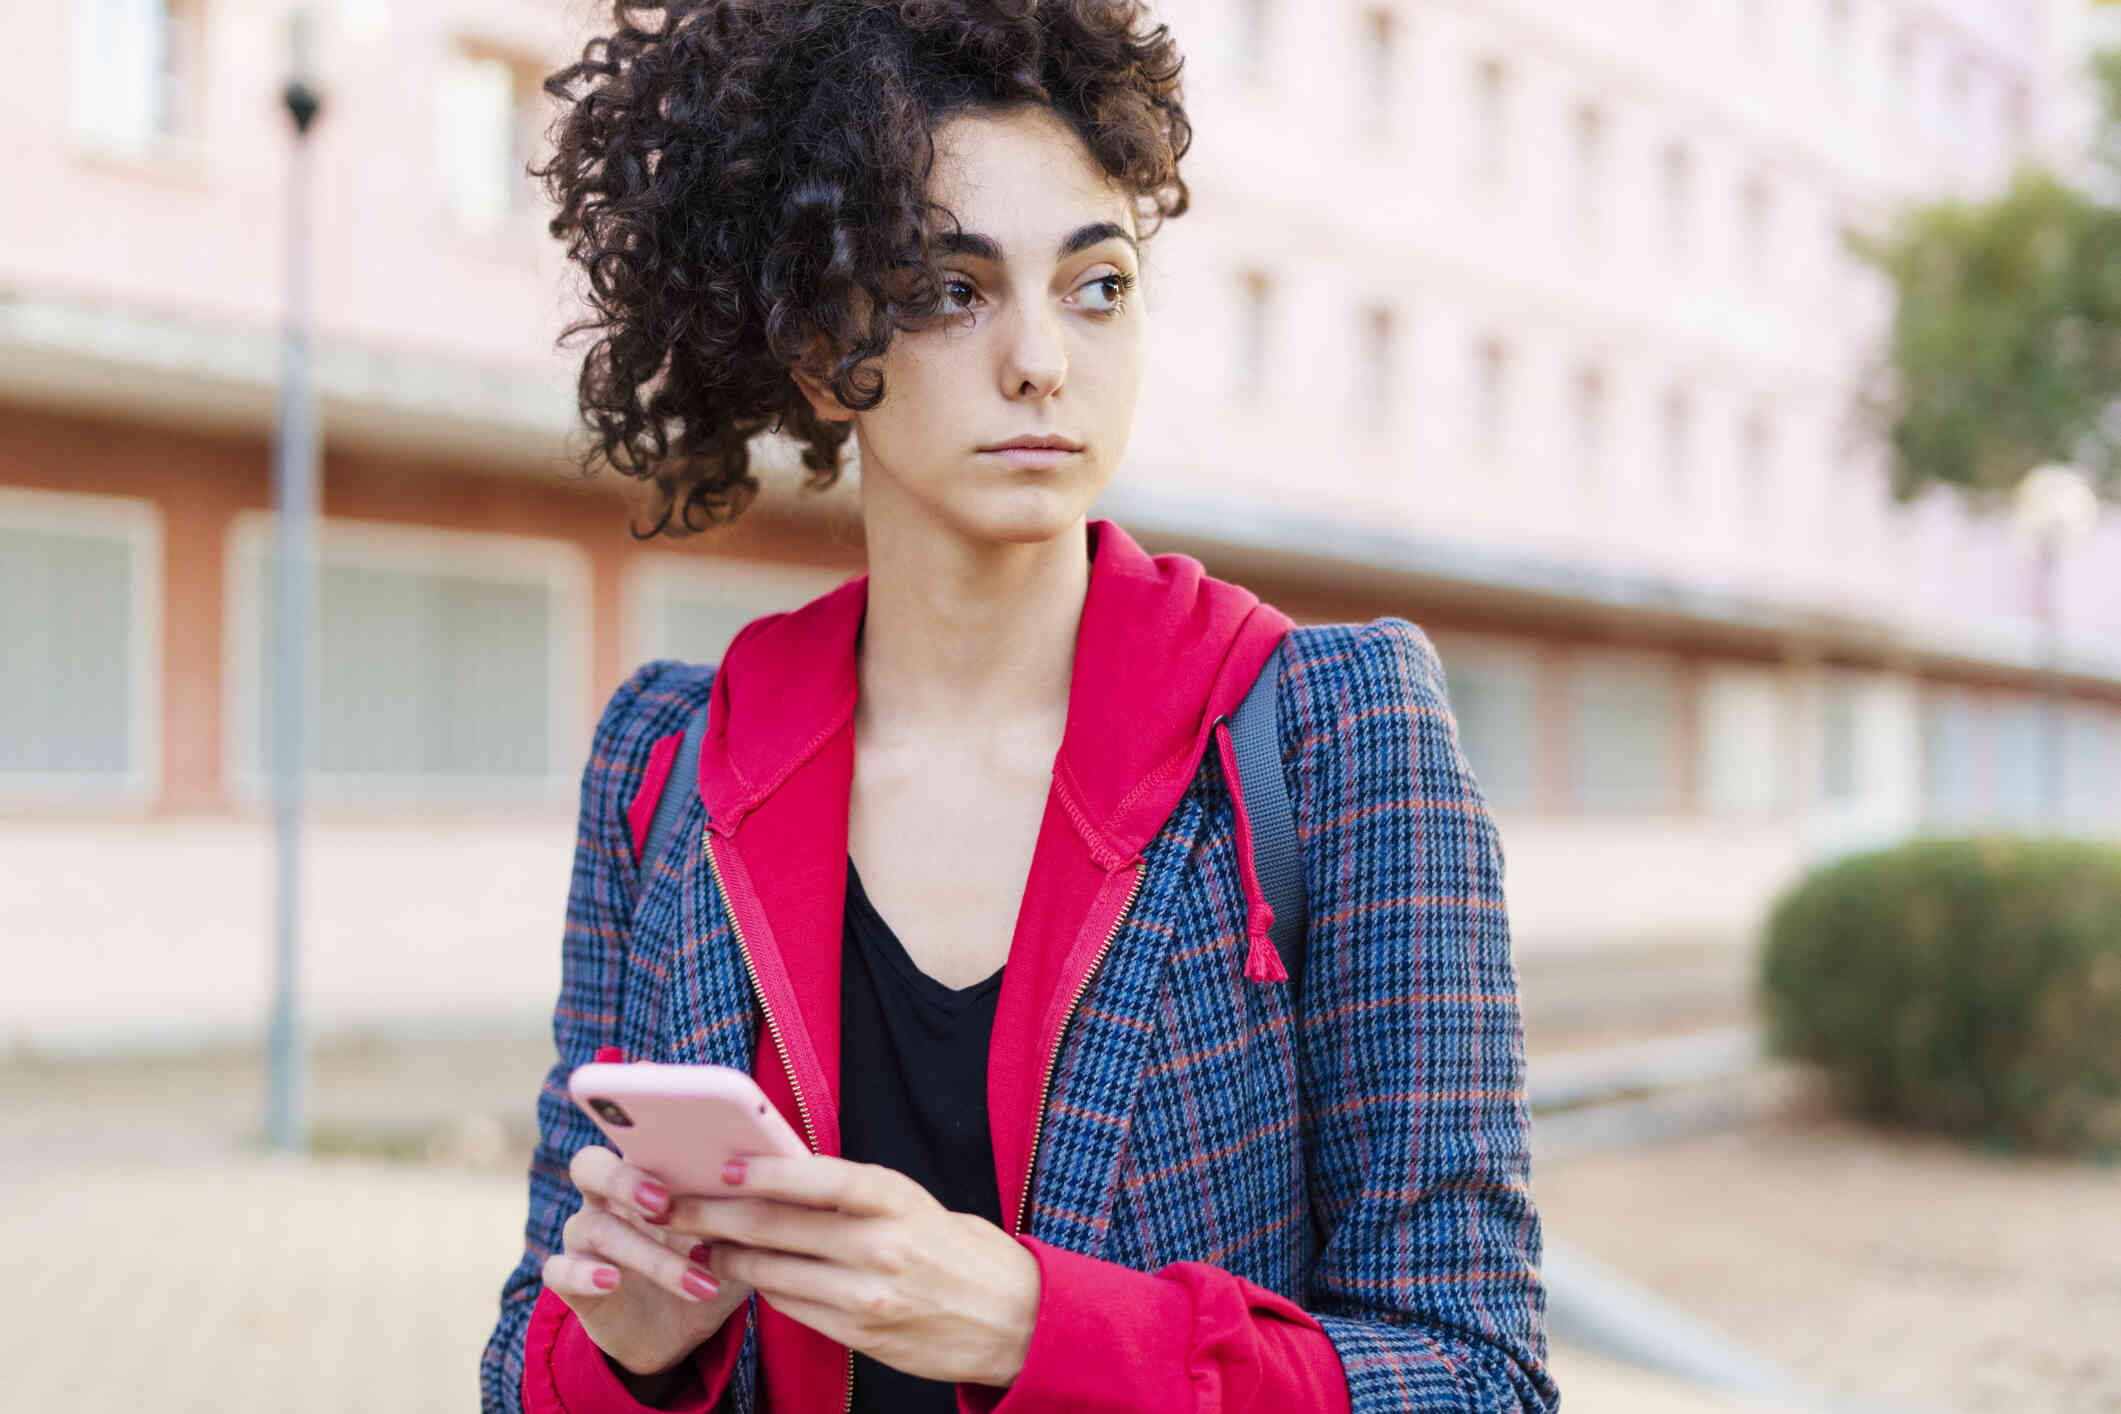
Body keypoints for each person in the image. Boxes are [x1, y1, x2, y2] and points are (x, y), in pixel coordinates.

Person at [480, 3, 1558, 1411]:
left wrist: (1029, 1323)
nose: (1044, 359)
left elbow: (1478, 1373)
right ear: (819, 352)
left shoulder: (1329, 732)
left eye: (1096, 284)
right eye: (950, 288)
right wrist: (630, 1343)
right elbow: (526, 1366)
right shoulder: (672, 760)